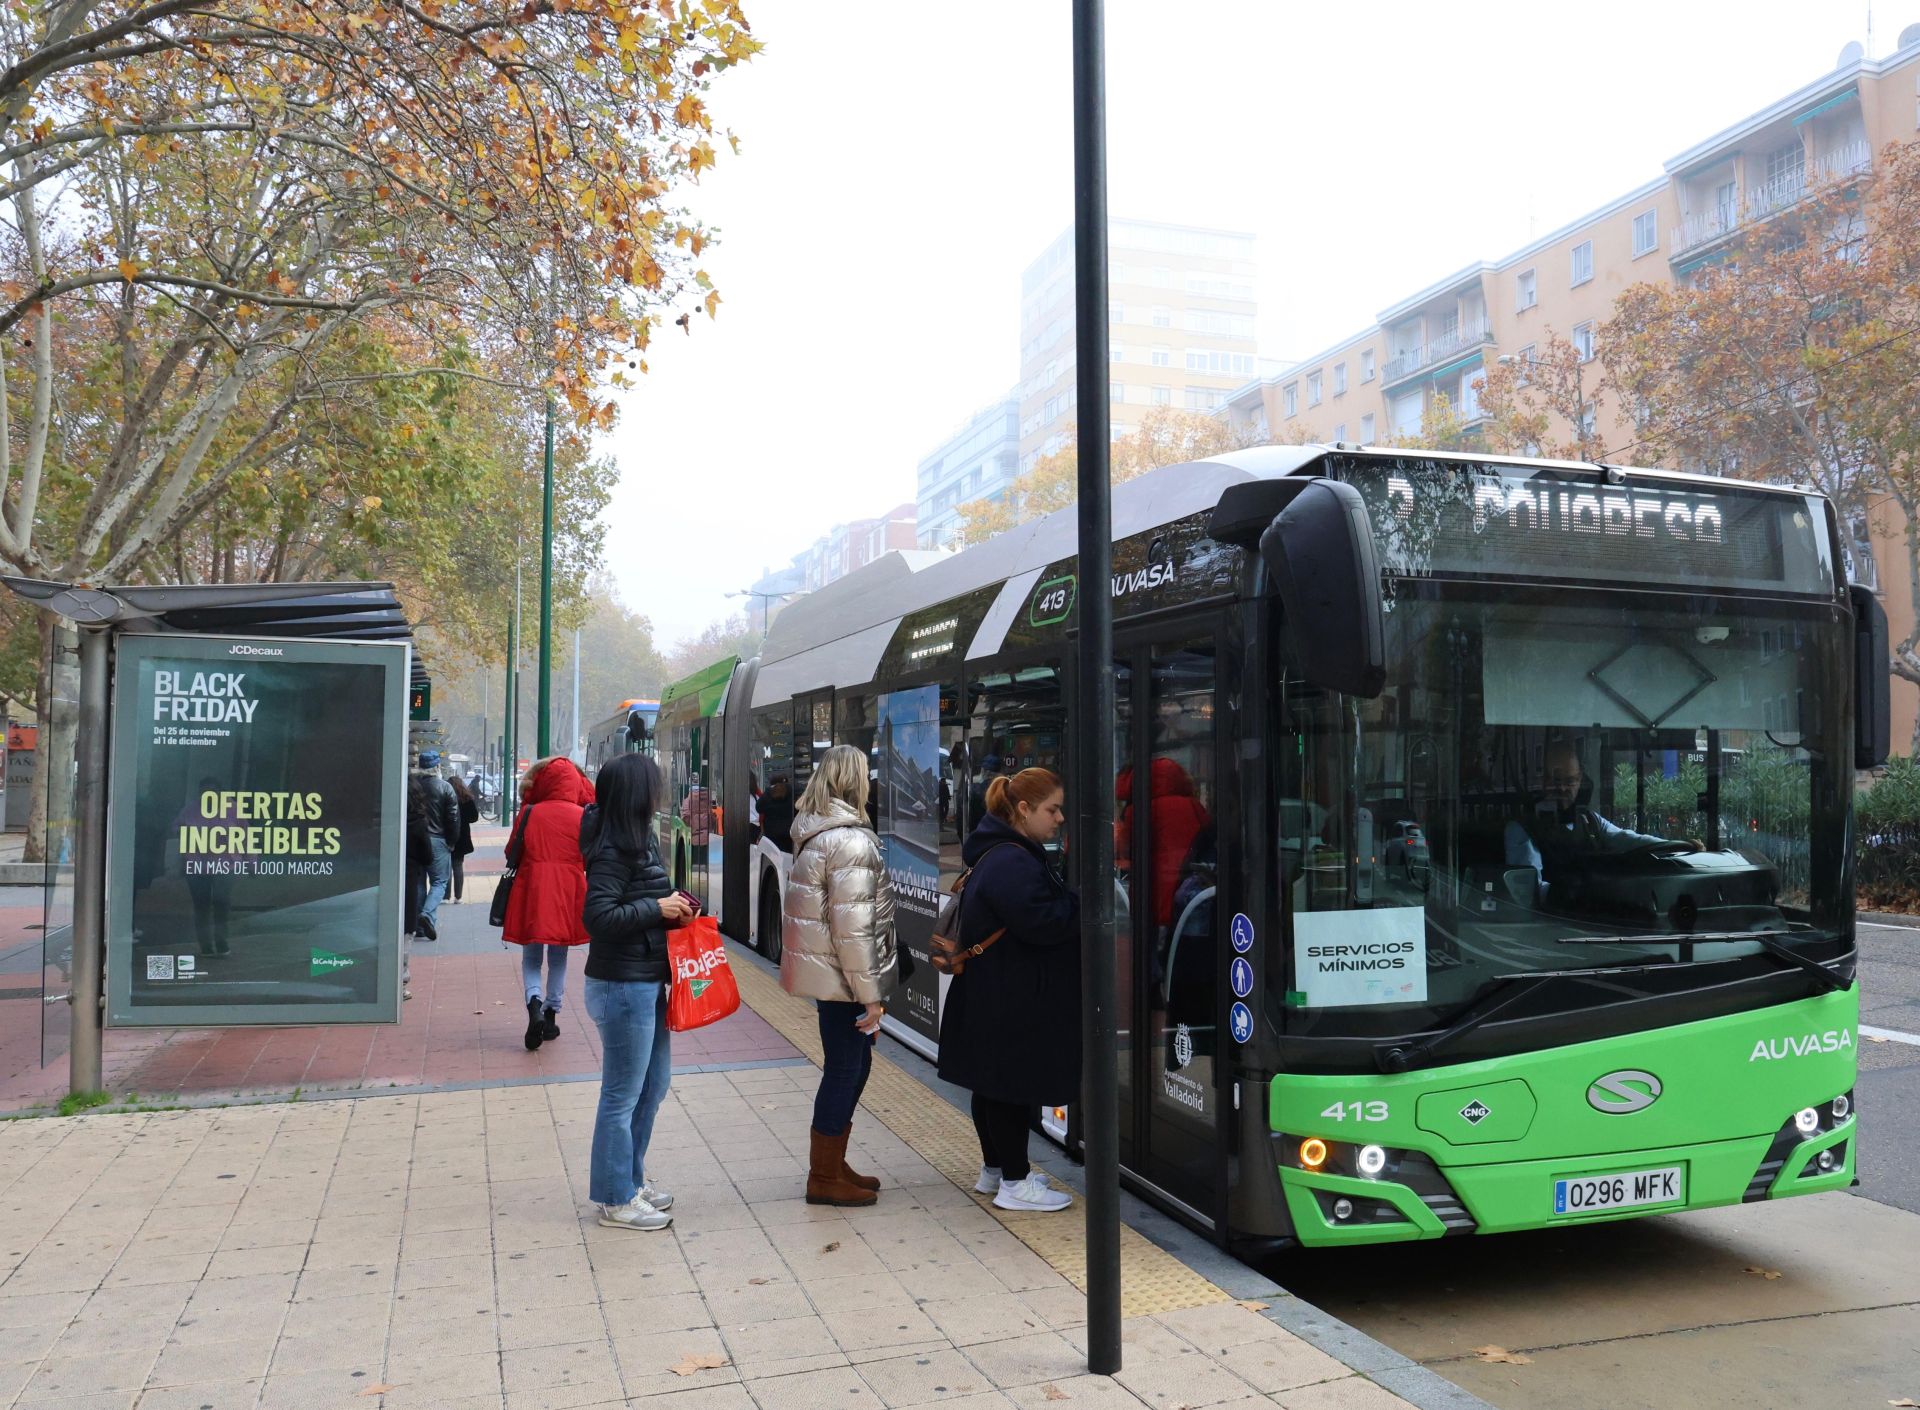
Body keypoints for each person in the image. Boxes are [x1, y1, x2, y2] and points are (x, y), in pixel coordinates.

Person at [937, 767, 1079, 1213]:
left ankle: (996, 1170)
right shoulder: (1013, 862)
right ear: (1023, 809)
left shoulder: (1000, 853)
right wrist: (1078, 899)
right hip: (1009, 995)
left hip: (993, 990)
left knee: (992, 1086)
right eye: (1052, 809)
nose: (1058, 819)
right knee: (1010, 1089)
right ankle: (1015, 1183)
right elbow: (1044, 923)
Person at [580, 752, 695, 1231]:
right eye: (653, 788)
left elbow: (645, 902)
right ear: (636, 795)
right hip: (622, 984)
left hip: (645, 980)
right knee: (622, 1095)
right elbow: (598, 917)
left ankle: (630, 1178)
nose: (659, 796)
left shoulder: (638, 842)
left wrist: (678, 907)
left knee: (654, 1085)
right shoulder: (613, 850)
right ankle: (614, 1198)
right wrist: (657, 908)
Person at [780, 744, 898, 1208]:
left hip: (830, 974)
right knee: (846, 1068)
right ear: (856, 781)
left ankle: (834, 1163)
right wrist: (871, 996)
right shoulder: (849, 840)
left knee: (854, 1064)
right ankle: (823, 1175)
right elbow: (854, 929)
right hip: (844, 980)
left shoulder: (817, 832)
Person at [503, 757, 596, 1051]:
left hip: (533, 888)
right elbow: (590, 856)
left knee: (532, 956)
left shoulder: (530, 812)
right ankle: (551, 1015)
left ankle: (534, 1002)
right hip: (569, 890)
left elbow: (511, 851)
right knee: (559, 956)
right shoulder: (582, 815)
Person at [1504, 739, 1674, 895]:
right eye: (1555, 780)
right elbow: (1529, 890)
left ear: (1580, 780)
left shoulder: (1591, 821)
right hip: (1553, 921)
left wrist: (1672, 846)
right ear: (1543, 781)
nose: (1562, 788)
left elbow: (1628, 839)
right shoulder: (1522, 829)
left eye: (1570, 781)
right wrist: (1582, 895)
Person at [413, 750, 461, 940]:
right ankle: (427, 914)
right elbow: (453, 818)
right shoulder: (445, 788)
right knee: (440, 881)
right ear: (437, 767)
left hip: (416, 840)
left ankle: (421, 924)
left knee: (418, 882)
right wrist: (451, 842)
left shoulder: (412, 786)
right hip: (438, 840)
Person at [402, 773, 435, 1000]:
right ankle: (401, 980)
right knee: (405, 930)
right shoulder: (418, 822)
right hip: (409, 880)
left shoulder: (382, 819)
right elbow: (428, 856)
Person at [449, 775, 480, 901]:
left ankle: (446, 896)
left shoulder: (447, 797)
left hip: (447, 834)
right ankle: (458, 896)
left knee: (446, 867)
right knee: (457, 866)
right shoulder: (467, 799)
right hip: (462, 836)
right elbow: (474, 817)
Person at [758, 774, 796, 854]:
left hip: (771, 833)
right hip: (789, 832)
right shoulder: (792, 791)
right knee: (788, 856)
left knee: (774, 858)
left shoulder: (768, 793)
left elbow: (758, 807)